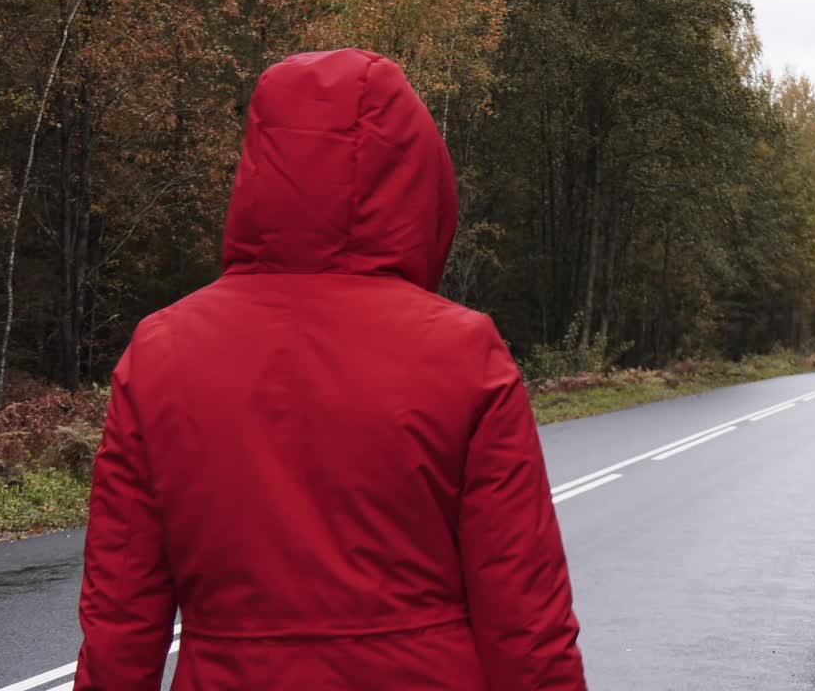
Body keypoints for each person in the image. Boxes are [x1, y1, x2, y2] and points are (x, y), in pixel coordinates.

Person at [73, 48, 587, 691]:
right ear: (418, 182)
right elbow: (526, 618)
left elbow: (122, 612)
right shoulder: (464, 354)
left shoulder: (162, 353)